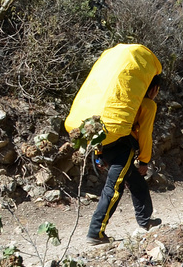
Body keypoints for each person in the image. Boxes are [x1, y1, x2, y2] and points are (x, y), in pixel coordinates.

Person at [66, 43, 163, 246]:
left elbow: (100, 128)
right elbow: (145, 135)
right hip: (122, 147)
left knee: (135, 182)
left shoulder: (115, 102)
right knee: (114, 187)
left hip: (104, 144)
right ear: (153, 87)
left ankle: (145, 221)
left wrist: (99, 155)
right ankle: (96, 232)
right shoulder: (147, 105)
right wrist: (144, 160)